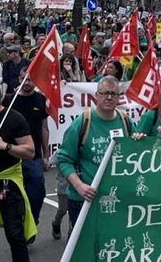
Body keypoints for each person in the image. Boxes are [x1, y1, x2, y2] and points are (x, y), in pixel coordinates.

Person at [57, 76, 133, 231]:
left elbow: (136, 154)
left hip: (116, 199)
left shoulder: (125, 121)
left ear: (119, 97)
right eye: (105, 93)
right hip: (84, 199)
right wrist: (79, 186)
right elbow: (64, 160)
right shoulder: (83, 122)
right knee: (81, 249)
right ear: (97, 95)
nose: (109, 97)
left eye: (113, 93)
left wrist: (139, 140)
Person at [0, 81, 36, 262]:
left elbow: (30, 151)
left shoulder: (13, 118)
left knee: (15, 234)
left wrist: (5, 146)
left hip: (7, 184)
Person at [2, 68, 49, 228]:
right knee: (12, 196)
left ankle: (33, 220)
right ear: (19, 79)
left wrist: (46, 155)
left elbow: (44, 128)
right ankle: (18, 226)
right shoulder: (8, 100)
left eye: (30, 80)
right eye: (24, 79)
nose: (27, 83)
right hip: (10, 156)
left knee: (38, 191)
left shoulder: (40, 100)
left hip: (33, 156)